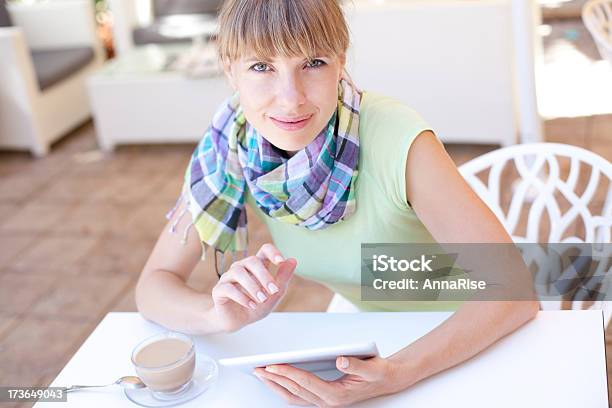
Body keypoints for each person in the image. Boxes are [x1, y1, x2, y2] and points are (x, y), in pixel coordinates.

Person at [135, 0, 539, 405]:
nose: (290, 99)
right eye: (262, 67)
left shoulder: (396, 138)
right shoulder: (232, 144)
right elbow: (153, 287)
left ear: (341, 61)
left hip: (469, 337)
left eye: (313, 62)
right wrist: (215, 315)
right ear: (230, 68)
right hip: (370, 340)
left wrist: (398, 373)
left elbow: (514, 291)